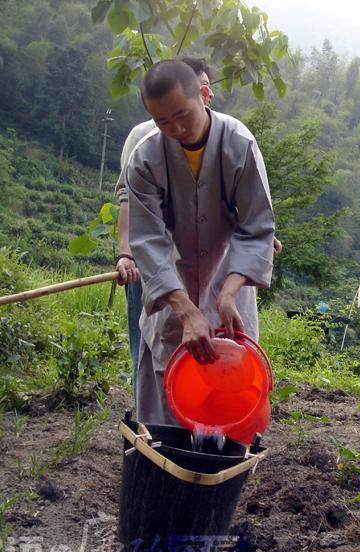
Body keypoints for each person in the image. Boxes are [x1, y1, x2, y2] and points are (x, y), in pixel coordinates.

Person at [126, 59, 275, 425]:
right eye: (163, 122)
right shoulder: (144, 158)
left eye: (183, 115)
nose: (176, 129)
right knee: (166, 399)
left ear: (204, 95)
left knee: (231, 391)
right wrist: (185, 310)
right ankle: (164, 474)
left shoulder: (239, 144)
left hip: (229, 277)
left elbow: (257, 226)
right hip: (170, 287)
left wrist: (229, 292)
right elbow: (147, 241)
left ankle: (218, 477)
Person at [115, 58, 215, 392]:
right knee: (147, 345)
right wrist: (126, 253)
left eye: (207, 88)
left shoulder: (222, 138)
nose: (206, 94)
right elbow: (129, 198)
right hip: (151, 263)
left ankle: (197, 420)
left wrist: (258, 237)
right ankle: (150, 424)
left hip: (201, 267)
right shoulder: (145, 139)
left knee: (200, 345)